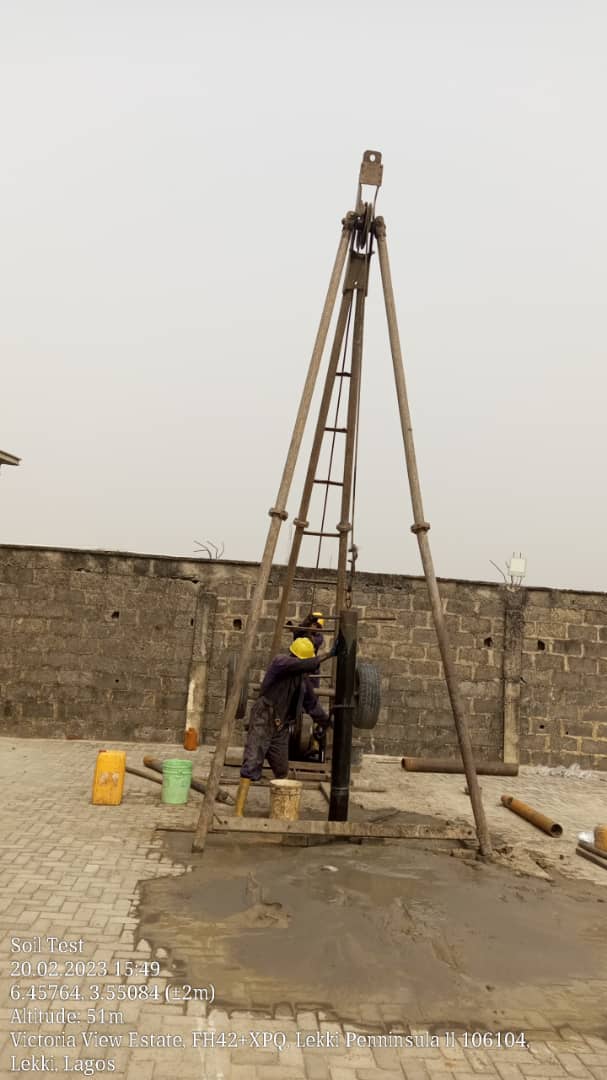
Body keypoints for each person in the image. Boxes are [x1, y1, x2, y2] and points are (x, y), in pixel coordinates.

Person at [235, 635, 337, 816]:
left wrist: (327, 723)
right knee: (252, 761)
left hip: (280, 726)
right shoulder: (280, 664)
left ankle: (284, 810)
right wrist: (329, 654)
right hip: (263, 718)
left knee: (282, 769)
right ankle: (238, 811)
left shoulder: (302, 682)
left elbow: (312, 705)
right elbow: (303, 665)